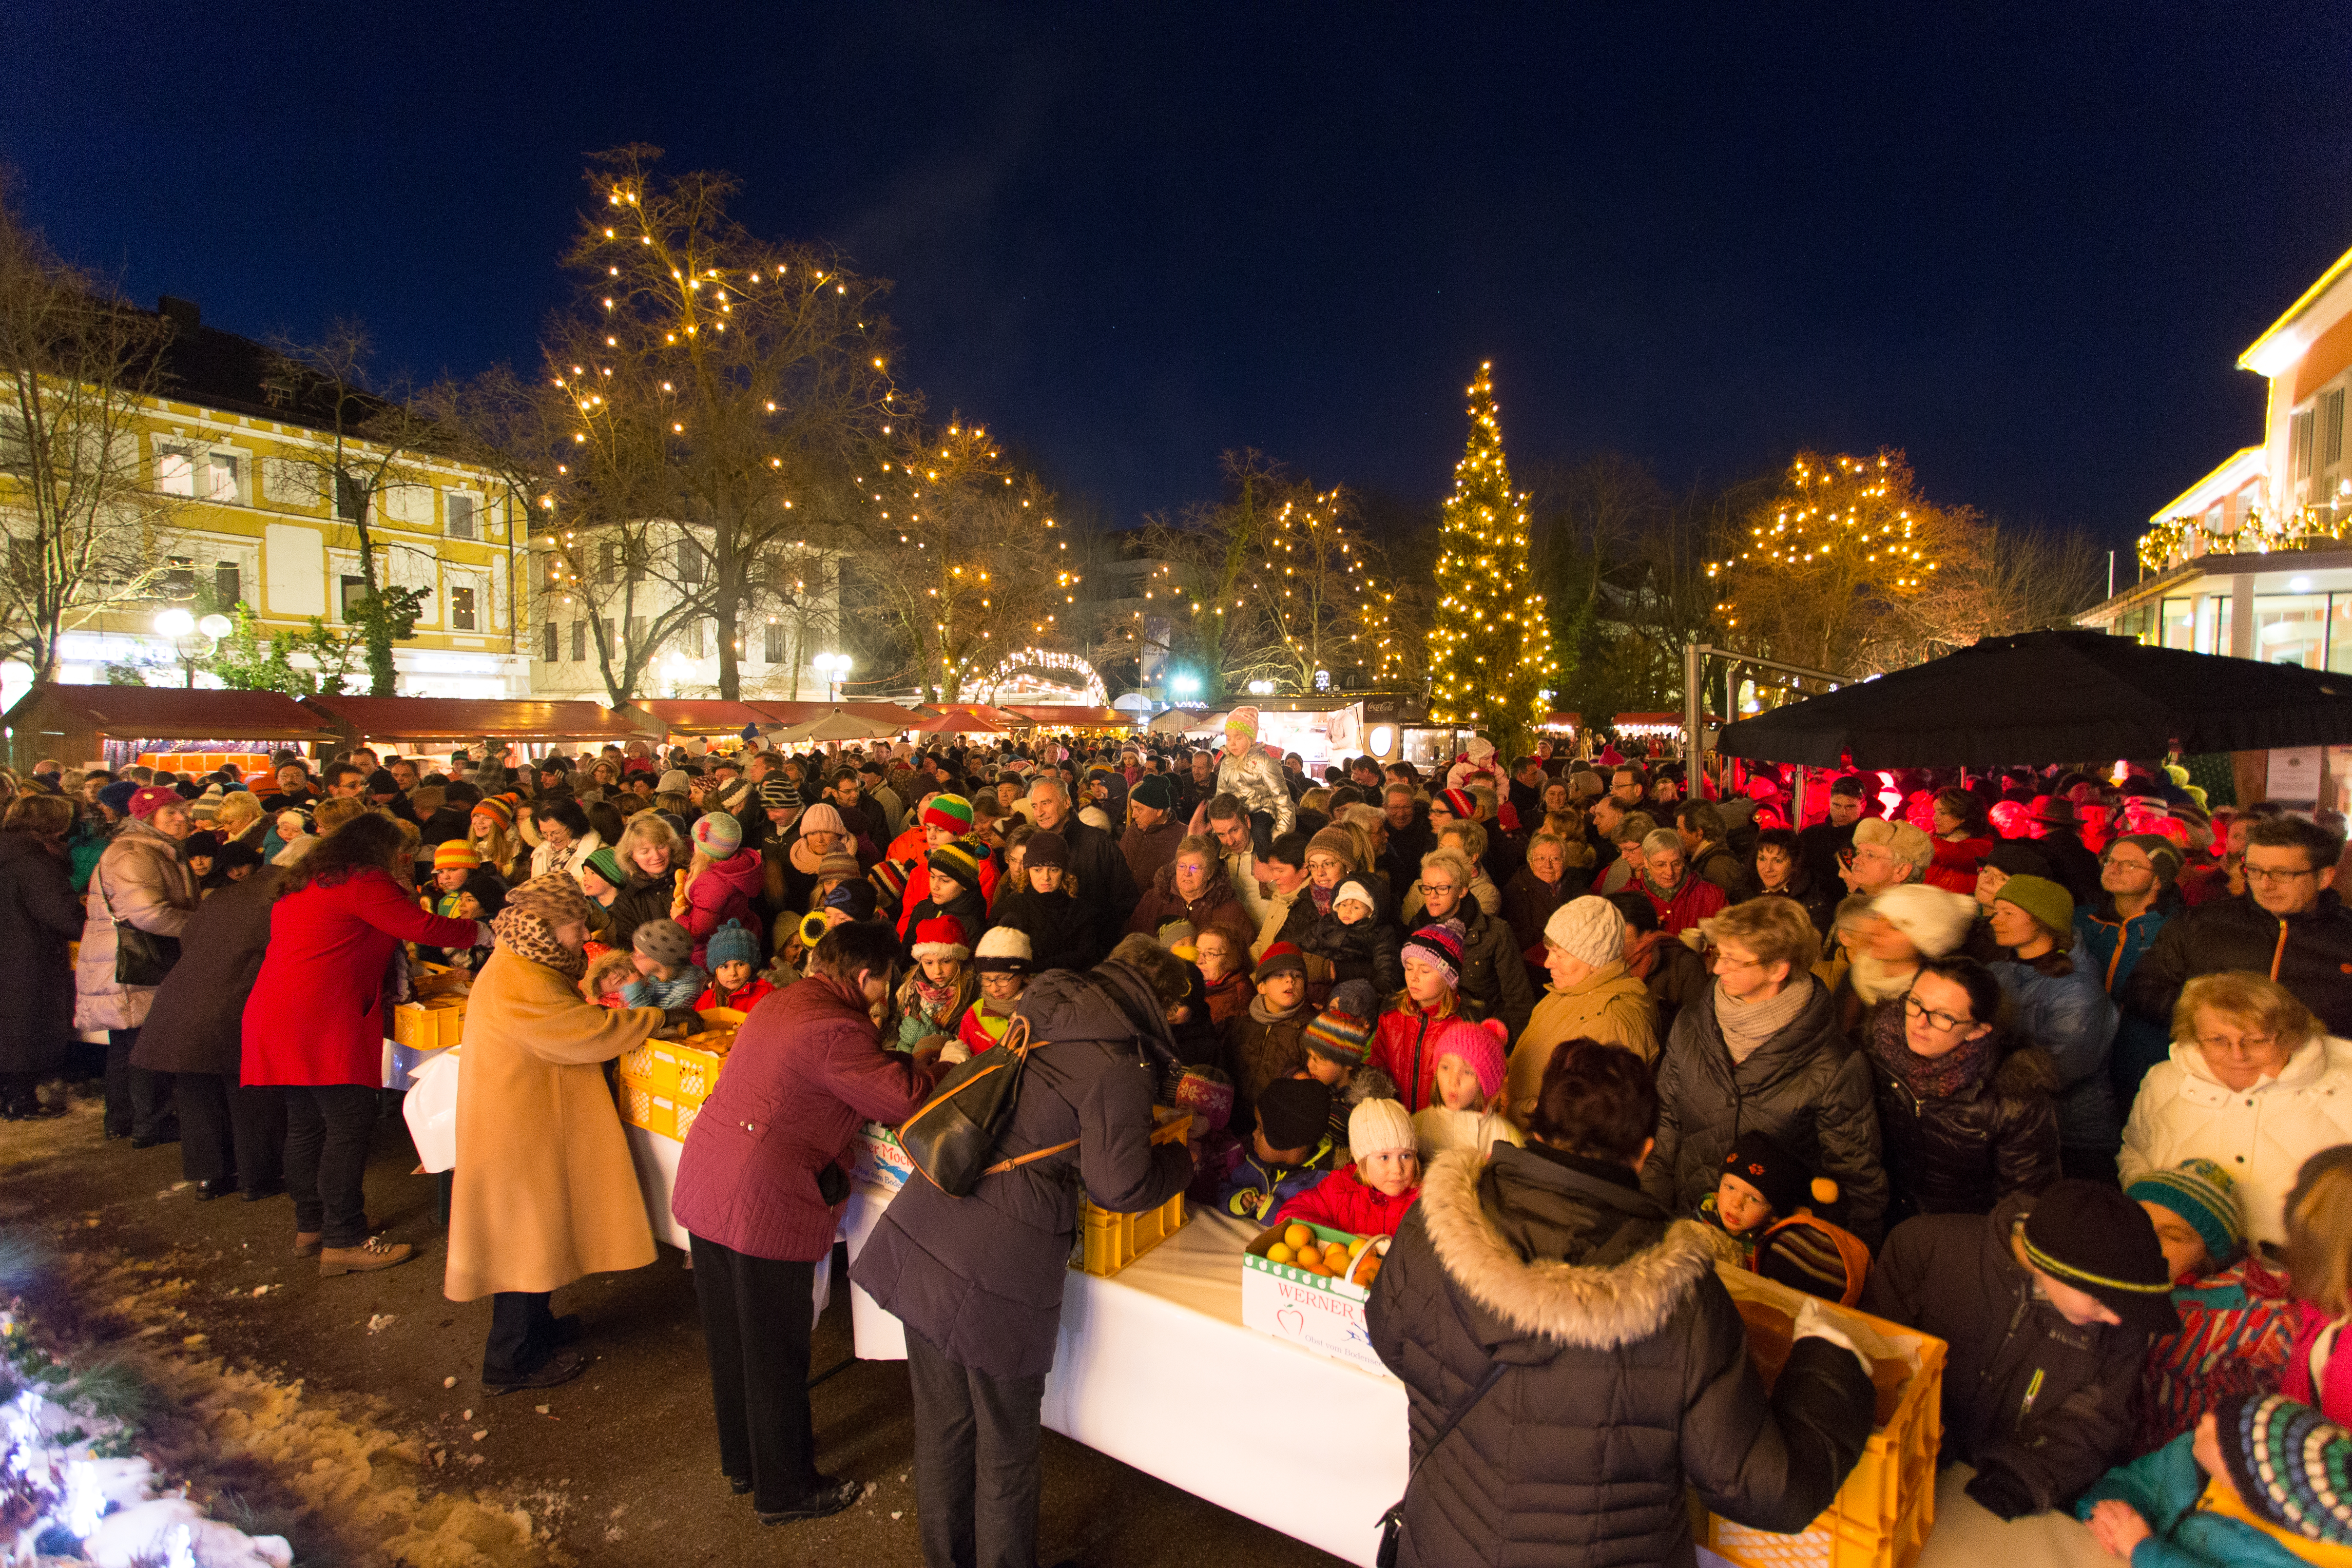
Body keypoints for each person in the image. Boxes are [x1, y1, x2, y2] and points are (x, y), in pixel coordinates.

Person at [1366, 1037, 1875, 1566]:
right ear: (1645, 1152)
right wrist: (1830, 1362)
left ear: (1537, 1123)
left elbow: (1388, 1334)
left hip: (1442, 1549)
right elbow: (1766, 1488)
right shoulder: (1679, 1298)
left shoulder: (1434, 1227)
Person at [851, 935, 1196, 1568]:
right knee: (1007, 1447)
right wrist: (1181, 1159)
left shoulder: (1038, 1006)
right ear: (1156, 1001)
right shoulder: (1116, 1063)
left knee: (944, 1426)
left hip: (929, 1227)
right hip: (996, 1272)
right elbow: (1120, 1185)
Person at [672, 919, 946, 1524]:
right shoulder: (836, 1026)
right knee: (773, 1348)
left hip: (712, 1179)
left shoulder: (786, 1000)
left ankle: (748, 1463)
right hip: (761, 1197)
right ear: (868, 975)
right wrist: (937, 1066)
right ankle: (786, 1490)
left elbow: (846, 1074)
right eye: (885, 982)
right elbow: (901, 1098)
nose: (885, 994)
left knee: (734, 1337)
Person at [445, 873, 674, 1392]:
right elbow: (582, 1034)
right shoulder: (521, 978)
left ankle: (535, 1329)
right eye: (575, 924)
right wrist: (651, 1019)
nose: (581, 934)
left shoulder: (524, 962)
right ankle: (510, 1359)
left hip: (524, 1119)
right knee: (524, 1241)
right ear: (548, 925)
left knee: (536, 1234)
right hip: (518, 1130)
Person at [243, 814, 485, 1274]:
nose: (406, 861)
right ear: (381, 849)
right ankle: (345, 1238)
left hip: (278, 1010)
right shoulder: (364, 881)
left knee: (306, 1124)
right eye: (402, 852)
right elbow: (422, 928)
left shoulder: (310, 879)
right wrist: (483, 932)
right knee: (347, 1124)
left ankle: (312, 1225)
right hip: (321, 1016)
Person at [1863, 1179, 2177, 1521]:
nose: (2116, 1317)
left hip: (2009, 1508)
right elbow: (1876, 1358)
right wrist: (1919, 1442)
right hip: (1900, 1478)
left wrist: (2020, 1479)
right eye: (2100, 1301)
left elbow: (2097, 1419)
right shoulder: (1923, 1249)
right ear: (2051, 1264)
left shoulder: (2122, 1326)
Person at [1645, 895, 1888, 1246]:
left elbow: (1855, 1179)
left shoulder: (1834, 1064)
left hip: (1772, 1248)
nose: (1716, 969)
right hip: (1687, 1224)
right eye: (1719, 955)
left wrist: (1839, 1260)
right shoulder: (1691, 1025)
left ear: (1778, 969)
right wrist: (1653, 1212)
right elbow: (1666, 1122)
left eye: (1734, 960)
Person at [2118, 971, 2352, 1248]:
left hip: (2307, 1271)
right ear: (2194, 1037)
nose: (2237, 1054)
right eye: (2217, 1040)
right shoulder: (2164, 1081)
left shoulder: (2345, 1090)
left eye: (2256, 1040)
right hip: (2190, 1267)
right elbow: (2135, 1154)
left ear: (2293, 1036)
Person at [128, 863, 291, 1200]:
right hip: (233, 1005)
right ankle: (256, 1178)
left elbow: (189, 936)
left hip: (181, 1000)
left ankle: (209, 1178)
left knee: (195, 1094)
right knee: (250, 1094)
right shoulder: (282, 903)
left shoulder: (222, 896)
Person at [1865, 955, 2059, 1225]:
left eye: (1945, 1016)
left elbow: (2023, 1201)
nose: (1920, 1023)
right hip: (1882, 1218)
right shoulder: (1873, 1051)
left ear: (1977, 1031)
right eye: (1916, 1003)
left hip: (1959, 1235)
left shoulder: (2015, 1097)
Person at [2129, 816, 2352, 1042]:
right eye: (2254, 870)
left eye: (2283, 874)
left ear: (2324, 877)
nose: (2265, 884)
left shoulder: (2346, 936)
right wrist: (2213, 1025)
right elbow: (2145, 988)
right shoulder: (2201, 923)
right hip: (2214, 1069)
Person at [2127, 1158, 2296, 1453]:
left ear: (2210, 1252)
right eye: (2138, 1226)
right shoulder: (2107, 1284)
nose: (2148, 1242)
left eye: (2173, 1236)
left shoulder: (2259, 1321)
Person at [2077, 1396, 2352, 1566]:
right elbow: (2130, 1483)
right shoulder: (2192, 1453)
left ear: (2241, 1486)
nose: (2208, 1418)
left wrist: (2143, 1549)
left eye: (2223, 1432)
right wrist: (2106, 1511)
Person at [75, 783, 202, 1145]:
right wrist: (203, 928)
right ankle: (149, 1122)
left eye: (183, 810)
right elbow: (149, 914)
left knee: (129, 1041)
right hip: (134, 961)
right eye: (172, 813)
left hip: (128, 960)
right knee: (144, 1041)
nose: (182, 818)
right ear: (148, 818)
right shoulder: (136, 853)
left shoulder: (154, 849)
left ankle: (125, 1120)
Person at [1985, 874, 2123, 1184]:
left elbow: (2058, 1069)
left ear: (2043, 921)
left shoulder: (2078, 990)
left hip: (2075, 1135)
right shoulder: (1999, 971)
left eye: (2009, 913)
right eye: (1995, 911)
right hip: (2022, 1123)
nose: (1995, 920)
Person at [1510, 896, 1659, 1123]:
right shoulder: (1568, 992)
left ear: (1594, 960)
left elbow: (1587, 1117)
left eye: (1560, 955)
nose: (1548, 963)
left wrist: (1516, 1111)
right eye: (1550, 951)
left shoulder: (1612, 1022)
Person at [2075, 831, 2186, 1111]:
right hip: (2083, 1057)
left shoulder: (2178, 929)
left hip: (2144, 1057)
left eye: (2131, 864)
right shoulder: (2082, 921)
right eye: (2111, 860)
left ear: (2159, 878)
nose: (2114, 868)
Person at [0, 796, 83, 1120]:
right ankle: (20, 1100)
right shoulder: (34, 861)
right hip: (28, 957)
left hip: (10, 952)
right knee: (27, 1025)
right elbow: (61, 914)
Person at [1406, 848, 1535, 1042]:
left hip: (1478, 1036)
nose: (1432, 896)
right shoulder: (1417, 930)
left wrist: (1514, 1050)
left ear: (1462, 890)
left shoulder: (1495, 933)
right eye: (1427, 888)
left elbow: (1518, 998)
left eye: (1442, 888)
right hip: (1430, 1035)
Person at [1271, 1096, 1421, 1237]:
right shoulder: (1340, 1188)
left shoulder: (1425, 1201)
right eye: (1385, 1157)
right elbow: (1289, 1215)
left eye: (1405, 1156)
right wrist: (1345, 1240)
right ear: (1362, 1161)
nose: (1397, 1169)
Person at [1025, 776, 1136, 961]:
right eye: (1035, 806)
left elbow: (1125, 900)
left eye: (1046, 804)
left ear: (1067, 802)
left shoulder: (1097, 843)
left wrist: (1101, 944)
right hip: (1044, 956)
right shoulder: (1032, 845)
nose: (1039, 813)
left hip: (1092, 954)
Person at [1409, 1016, 1523, 1163]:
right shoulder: (1416, 1128)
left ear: (1486, 1083)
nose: (1453, 1081)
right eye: (1445, 1068)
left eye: (1468, 1072)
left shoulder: (1505, 1138)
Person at [1924, 787, 1995, 894]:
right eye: (1935, 812)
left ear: (1963, 816)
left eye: (1943, 813)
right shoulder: (1935, 839)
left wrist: (1917, 840)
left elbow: (1954, 853)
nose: (1935, 818)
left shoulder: (1983, 846)